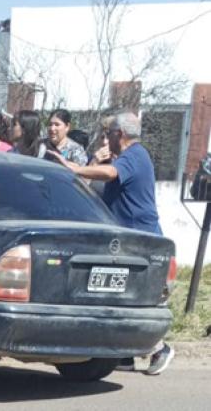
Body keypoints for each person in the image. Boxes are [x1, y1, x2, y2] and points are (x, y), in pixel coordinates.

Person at [50, 112, 173, 375]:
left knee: (139, 298)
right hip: (120, 240)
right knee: (115, 297)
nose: (106, 139)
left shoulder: (135, 155)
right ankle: (124, 354)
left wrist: (76, 167)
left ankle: (159, 348)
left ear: (120, 134)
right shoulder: (124, 156)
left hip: (141, 240)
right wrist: (92, 162)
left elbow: (111, 173)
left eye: (109, 134)